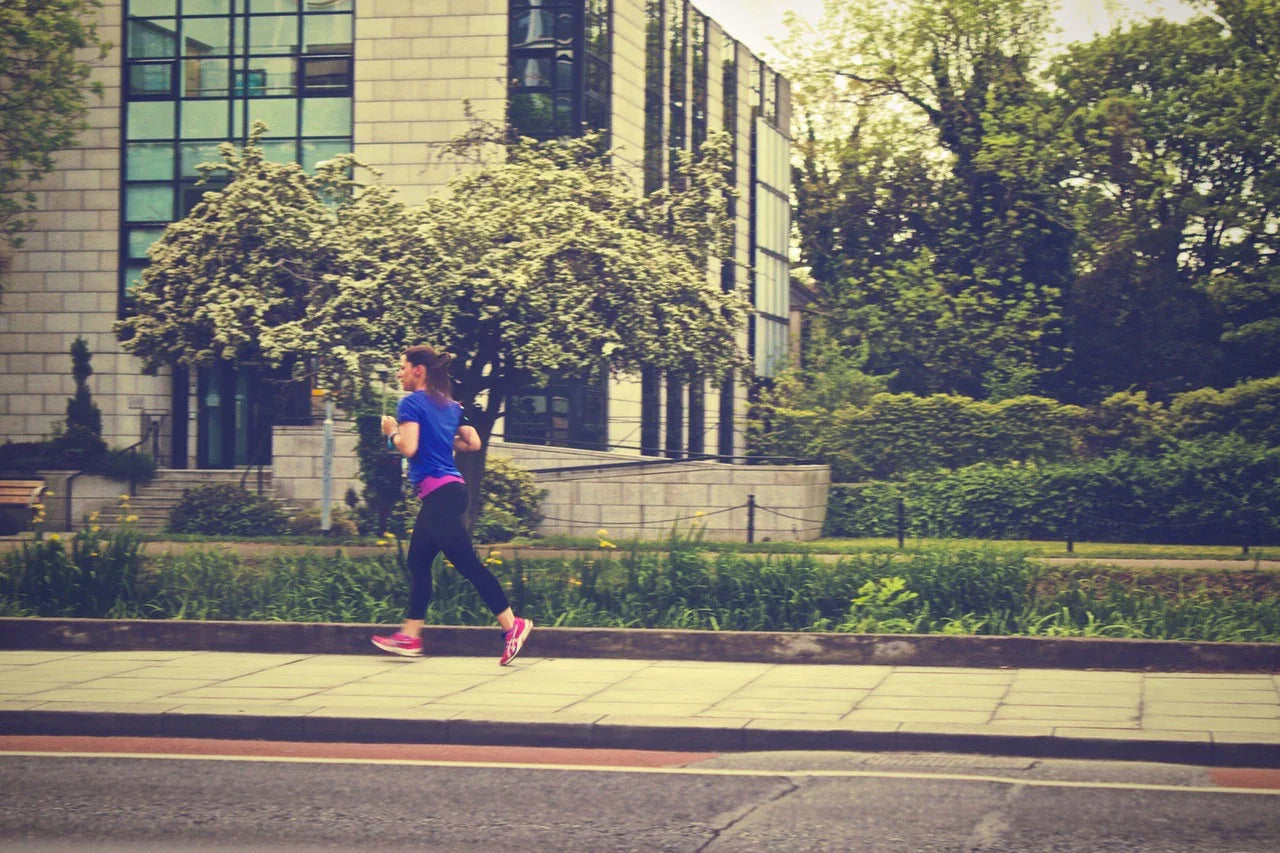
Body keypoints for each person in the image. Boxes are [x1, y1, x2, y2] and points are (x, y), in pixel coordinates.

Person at [371, 345, 533, 665]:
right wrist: (444, 440)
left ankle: (513, 624)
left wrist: (391, 433)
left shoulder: (411, 403)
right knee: (418, 561)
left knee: (466, 563)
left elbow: (409, 447)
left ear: (419, 370)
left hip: (441, 495)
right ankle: (410, 636)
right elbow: (473, 442)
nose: (399, 373)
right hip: (448, 492)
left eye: (402, 367)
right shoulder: (451, 405)